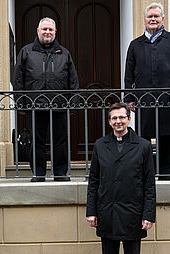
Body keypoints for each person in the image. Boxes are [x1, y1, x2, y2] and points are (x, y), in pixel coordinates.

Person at [13, 17, 79, 182]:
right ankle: (38, 173)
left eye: (50, 30)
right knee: (37, 141)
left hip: (60, 105)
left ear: (55, 32)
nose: (47, 32)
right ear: (38, 31)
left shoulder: (64, 53)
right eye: (44, 29)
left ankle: (60, 173)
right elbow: (18, 80)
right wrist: (20, 103)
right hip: (35, 105)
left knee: (61, 140)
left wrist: (74, 103)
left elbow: (73, 80)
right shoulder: (26, 52)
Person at [86, 102, 156, 254]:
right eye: (114, 118)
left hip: (133, 214)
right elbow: (94, 181)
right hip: (107, 213)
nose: (118, 121)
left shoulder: (143, 146)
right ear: (110, 121)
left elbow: (149, 184)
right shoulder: (100, 145)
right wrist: (91, 211)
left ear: (129, 119)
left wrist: (148, 215)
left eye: (122, 117)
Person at [125, 2, 170, 180]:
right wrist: (129, 98)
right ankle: (147, 173)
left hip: (167, 100)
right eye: (150, 17)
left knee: (167, 136)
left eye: (156, 16)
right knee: (144, 137)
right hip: (144, 100)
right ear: (144, 20)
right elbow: (129, 74)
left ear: (162, 19)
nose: (153, 19)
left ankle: (166, 172)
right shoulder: (135, 44)